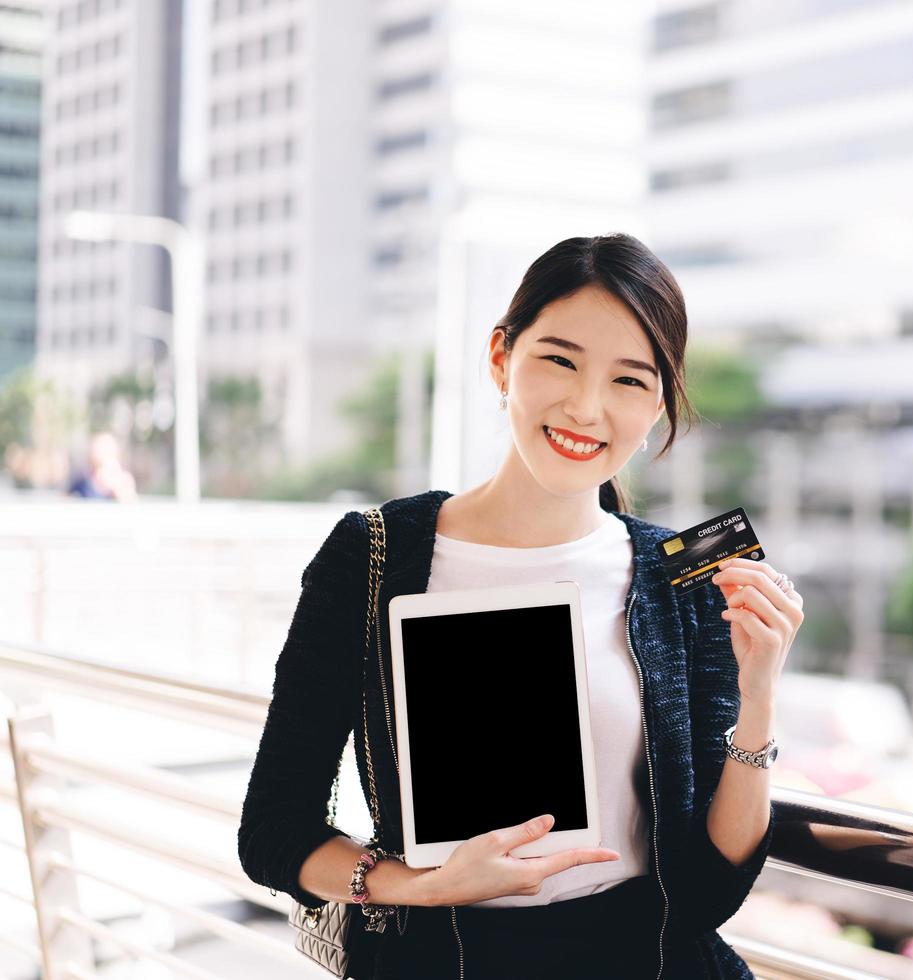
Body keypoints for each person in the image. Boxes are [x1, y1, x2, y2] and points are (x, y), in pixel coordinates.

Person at [237, 234, 804, 979]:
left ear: (657, 402)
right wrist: (418, 886)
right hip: (442, 960)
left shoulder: (680, 576)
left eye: (629, 381)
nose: (586, 407)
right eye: (560, 360)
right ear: (502, 358)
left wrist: (759, 695)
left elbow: (710, 886)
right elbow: (274, 831)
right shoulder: (372, 556)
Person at [67, 432, 137, 501]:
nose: (96, 453)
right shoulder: (83, 479)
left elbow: (130, 505)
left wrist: (118, 490)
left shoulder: (123, 480)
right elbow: (65, 499)